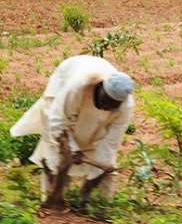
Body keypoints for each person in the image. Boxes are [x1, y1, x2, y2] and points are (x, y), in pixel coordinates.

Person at [10, 55, 135, 207]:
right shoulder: (78, 86)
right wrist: (71, 149)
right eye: (105, 101)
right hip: (65, 84)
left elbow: (110, 143)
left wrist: (91, 181)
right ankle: (50, 202)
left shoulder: (125, 107)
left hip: (90, 120)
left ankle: (98, 207)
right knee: (55, 153)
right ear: (100, 87)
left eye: (113, 105)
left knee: (105, 171)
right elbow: (57, 121)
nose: (107, 107)